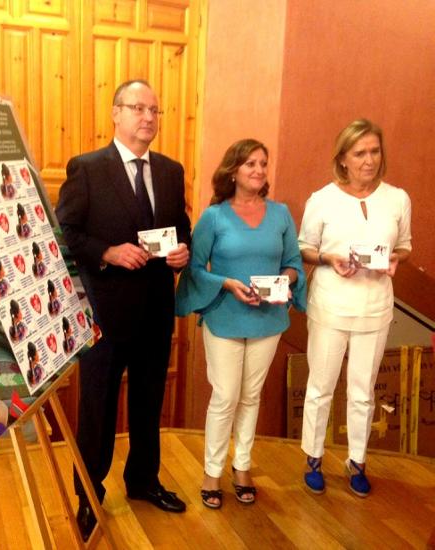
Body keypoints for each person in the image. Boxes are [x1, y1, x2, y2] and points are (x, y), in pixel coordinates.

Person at [55, 79, 191, 540]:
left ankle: (143, 481)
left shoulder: (171, 172)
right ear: (116, 113)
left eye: (155, 109)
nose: (148, 117)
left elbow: (182, 231)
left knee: (149, 403)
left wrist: (182, 253)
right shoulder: (88, 168)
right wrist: (108, 252)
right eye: (138, 108)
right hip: (105, 316)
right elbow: (65, 233)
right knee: (97, 408)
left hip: (155, 311)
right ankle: (89, 495)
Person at [175, 139, 306, 508]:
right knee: (226, 396)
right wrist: (227, 284)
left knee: (251, 396)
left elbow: (294, 264)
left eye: (264, 163)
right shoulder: (214, 217)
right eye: (251, 163)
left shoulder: (280, 214)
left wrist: (284, 282)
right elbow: (196, 268)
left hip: (269, 319)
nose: (259, 170)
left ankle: (242, 466)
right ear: (233, 170)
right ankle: (212, 471)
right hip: (225, 317)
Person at [298, 119, 411, 497]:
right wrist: (329, 259)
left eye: (374, 151)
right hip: (331, 305)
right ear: (343, 159)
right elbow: (303, 247)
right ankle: (313, 458)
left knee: (363, 392)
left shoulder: (397, 198)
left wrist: (396, 258)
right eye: (359, 153)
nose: (369, 160)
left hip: (376, 307)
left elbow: (406, 245)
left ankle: (357, 462)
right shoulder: (323, 199)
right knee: (321, 387)